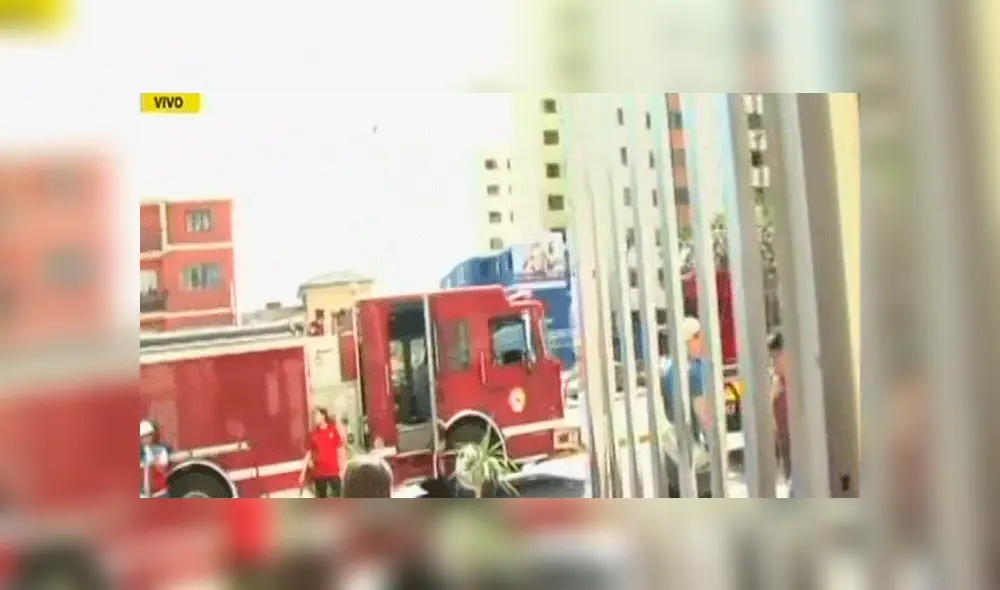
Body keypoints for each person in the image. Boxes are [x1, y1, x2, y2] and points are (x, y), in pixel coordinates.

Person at [661, 317, 714, 440]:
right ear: (689, 340)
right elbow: (702, 413)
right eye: (698, 336)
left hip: (677, 439)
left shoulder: (671, 370)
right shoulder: (696, 369)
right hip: (693, 443)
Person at [299, 407, 346, 498]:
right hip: (319, 473)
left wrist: (343, 467)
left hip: (334, 471)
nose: (315, 418)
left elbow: (340, 448)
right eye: (314, 416)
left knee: (339, 496)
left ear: (323, 416)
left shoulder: (332, 430)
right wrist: (302, 473)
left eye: (316, 415)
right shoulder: (313, 434)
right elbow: (308, 454)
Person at [768, 332, 793, 483]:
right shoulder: (778, 386)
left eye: (776, 357)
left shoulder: (792, 387)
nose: (774, 363)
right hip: (787, 454)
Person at [140, 419, 172, 498]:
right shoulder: (141, 451)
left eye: (148, 436)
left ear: (153, 435)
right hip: (144, 494)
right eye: (143, 437)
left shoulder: (161, 449)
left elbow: (162, 466)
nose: (145, 439)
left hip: (160, 493)